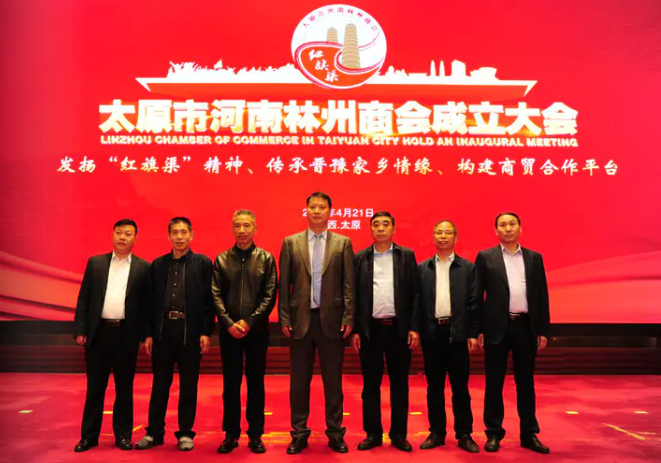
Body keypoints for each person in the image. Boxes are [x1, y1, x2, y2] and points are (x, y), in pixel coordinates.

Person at [278, 192, 354, 454]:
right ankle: (299, 433)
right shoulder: (291, 242)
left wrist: (348, 317)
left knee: (333, 382)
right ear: (306, 210)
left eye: (322, 207)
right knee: (299, 382)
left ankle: (335, 433)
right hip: (300, 321)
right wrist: (284, 316)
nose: (317, 211)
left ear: (330, 211)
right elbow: (284, 284)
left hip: (332, 322)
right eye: (313, 207)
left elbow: (348, 284)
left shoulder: (343, 243)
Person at [135, 217, 215, 452]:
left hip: (191, 332)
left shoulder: (203, 264)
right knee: (160, 384)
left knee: (189, 384)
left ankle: (186, 433)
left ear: (191, 235)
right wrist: (148, 334)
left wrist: (206, 332)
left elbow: (209, 302)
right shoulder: (158, 265)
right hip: (162, 332)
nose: (179, 237)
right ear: (168, 236)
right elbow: (148, 302)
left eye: (184, 232)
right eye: (175, 232)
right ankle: (154, 432)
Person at [73, 219, 150, 452]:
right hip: (98, 333)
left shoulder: (144, 268)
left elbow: (147, 305)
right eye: (119, 233)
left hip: (126, 334)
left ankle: (123, 436)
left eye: (128, 234)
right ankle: (89, 437)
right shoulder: (95, 263)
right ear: (113, 235)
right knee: (95, 388)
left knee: (124, 389)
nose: (122, 237)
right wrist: (81, 330)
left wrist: (146, 334)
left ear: (136, 239)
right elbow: (84, 298)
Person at [476, 212, 550, 454]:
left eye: (512, 224)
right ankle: (493, 433)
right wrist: (479, 329)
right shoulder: (486, 257)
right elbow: (477, 296)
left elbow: (541, 294)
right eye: (502, 225)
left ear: (520, 228)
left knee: (526, 382)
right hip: (496, 327)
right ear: (496, 230)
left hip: (525, 326)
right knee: (493, 382)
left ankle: (529, 433)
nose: (507, 228)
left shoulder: (534, 257)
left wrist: (542, 329)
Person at [351, 211, 419, 452]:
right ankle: (373, 434)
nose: (381, 228)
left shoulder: (406, 256)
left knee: (400, 385)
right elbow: (354, 297)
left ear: (393, 229)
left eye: (385, 224)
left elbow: (415, 294)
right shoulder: (360, 258)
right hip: (370, 330)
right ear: (370, 229)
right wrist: (356, 329)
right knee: (370, 385)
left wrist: (413, 327)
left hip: (398, 330)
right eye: (376, 225)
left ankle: (399, 435)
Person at [212, 210, 278, 454]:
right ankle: (230, 434)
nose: (242, 230)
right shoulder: (221, 259)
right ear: (232, 229)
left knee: (256, 384)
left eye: (247, 225)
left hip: (257, 331)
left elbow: (270, 295)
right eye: (237, 225)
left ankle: (255, 434)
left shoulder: (266, 259)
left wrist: (249, 322)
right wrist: (229, 323)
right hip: (228, 332)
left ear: (255, 229)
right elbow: (215, 294)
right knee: (230, 384)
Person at [418, 220, 480, 453]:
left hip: (458, 334)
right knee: (434, 386)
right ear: (433, 237)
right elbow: (416, 303)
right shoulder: (423, 268)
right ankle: (437, 432)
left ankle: (464, 433)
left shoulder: (468, 268)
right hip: (432, 333)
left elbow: (475, 302)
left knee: (460, 387)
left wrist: (473, 332)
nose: (443, 236)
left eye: (448, 232)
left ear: (455, 238)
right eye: (439, 232)